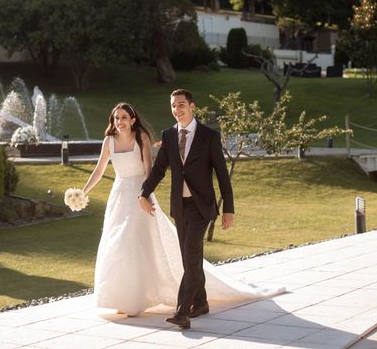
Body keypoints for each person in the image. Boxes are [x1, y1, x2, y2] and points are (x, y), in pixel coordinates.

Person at [84, 101, 283, 319]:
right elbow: (99, 169)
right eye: (115, 118)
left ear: (132, 120)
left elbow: (152, 170)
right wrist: (83, 192)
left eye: (123, 117)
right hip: (118, 197)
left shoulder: (141, 138)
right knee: (116, 245)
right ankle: (121, 298)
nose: (119, 121)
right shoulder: (108, 141)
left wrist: (146, 195)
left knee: (140, 244)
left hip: (141, 196)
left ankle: (163, 305)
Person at [139, 89, 247, 329]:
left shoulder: (209, 136)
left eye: (181, 105)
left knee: (191, 255)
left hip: (201, 207)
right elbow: (159, 169)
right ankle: (201, 302)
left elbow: (221, 174)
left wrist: (228, 208)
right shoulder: (168, 136)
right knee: (191, 258)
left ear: (192, 106)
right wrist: (143, 193)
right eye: (173, 106)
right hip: (180, 206)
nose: (177, 110)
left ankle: (182, 312)